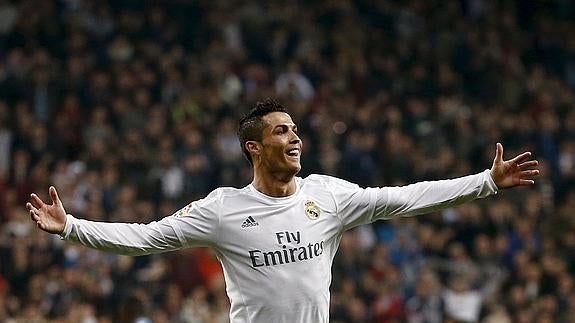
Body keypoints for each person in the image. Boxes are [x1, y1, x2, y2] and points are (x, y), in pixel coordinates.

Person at [26, 98, 539, 323]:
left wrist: (486, 183)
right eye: (281, 131)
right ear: (254, 147)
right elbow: (147, 238)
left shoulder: (329, 196)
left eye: (295, 130)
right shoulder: (224, 210)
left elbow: (406, 198)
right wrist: (70, 226)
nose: (295, 138)